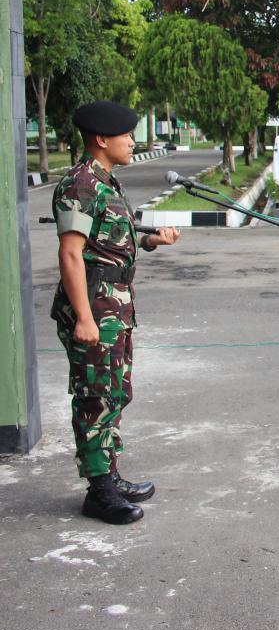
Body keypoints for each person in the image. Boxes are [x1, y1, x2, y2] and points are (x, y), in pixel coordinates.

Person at [51, 101, 181, 524]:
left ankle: (108, 473)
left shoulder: (106, 182)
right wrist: (84, 318)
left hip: (115, 306)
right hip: (94, 308)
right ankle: (99, 492)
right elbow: (71, 255)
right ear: (101, 140)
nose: (130, 141)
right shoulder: (80, 184)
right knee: (95, 396)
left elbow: (108, 242)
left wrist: (151, 242)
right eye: (125, 135)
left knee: (114, 392)